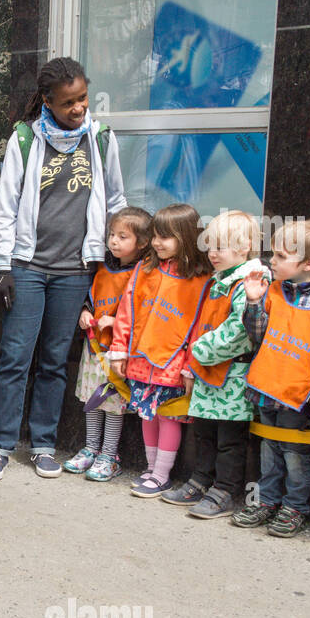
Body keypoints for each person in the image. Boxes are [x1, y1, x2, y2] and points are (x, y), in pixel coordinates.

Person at [0, 57, 126, 482]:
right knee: (14, 358)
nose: (78, 108)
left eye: (82, 98)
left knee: (54, 361)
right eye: (68, 103)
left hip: (76, 270)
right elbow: (5, 207)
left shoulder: (99, 137)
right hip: (27, 267)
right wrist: (2, 267)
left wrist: (114, 253)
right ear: (47, 101)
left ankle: (43, 444)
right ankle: (1, 445)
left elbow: (115, 197)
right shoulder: (25, 138)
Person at [232, 220, 310, 536]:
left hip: (299, 396)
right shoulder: (272, 289)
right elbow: (256, 334)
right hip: (266, 388)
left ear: (309, 263)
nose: (273, 261)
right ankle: (266, 502)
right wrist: (254, 302)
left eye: (282, 256)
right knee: (269, 452)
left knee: (296, 456)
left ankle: (295, 507)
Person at [162, 210, 268, 517]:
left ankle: (224, 491)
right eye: (210, 246)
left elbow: (240, 330)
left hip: (234, 374)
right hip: (211, 372)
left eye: (220, 246)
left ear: (245, 246)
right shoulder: (221, 280)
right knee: (205, 432)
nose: (213, 253)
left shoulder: (250, 281)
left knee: (230, 439)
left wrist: (200, 351)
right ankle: (200, 479)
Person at [107, 204, 211, 498]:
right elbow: (127, 310)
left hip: (173, 362)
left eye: (165, 237)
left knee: (168, 417)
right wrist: (119, 349)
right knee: (146, 415)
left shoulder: (201, 280)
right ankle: (150, 469)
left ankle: (162, 474)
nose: (156, 243)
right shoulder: (145, 268)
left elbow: (200, 327)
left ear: (187, 236)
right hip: (141, 357)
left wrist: (191, 366)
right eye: (155, 236)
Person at [63, 206, 152, 481]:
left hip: (119, 351)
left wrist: (116, 323)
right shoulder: (102, 265)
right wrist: (85, 311)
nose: (114, 241)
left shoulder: (144, 272)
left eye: (123, 237)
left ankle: (109, 455)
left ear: (143, 242)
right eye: (112, 234)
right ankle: (90, 448)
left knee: (113, 404)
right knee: (93, 400)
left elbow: (145, 311)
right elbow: (91, 293)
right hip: (94, 347)